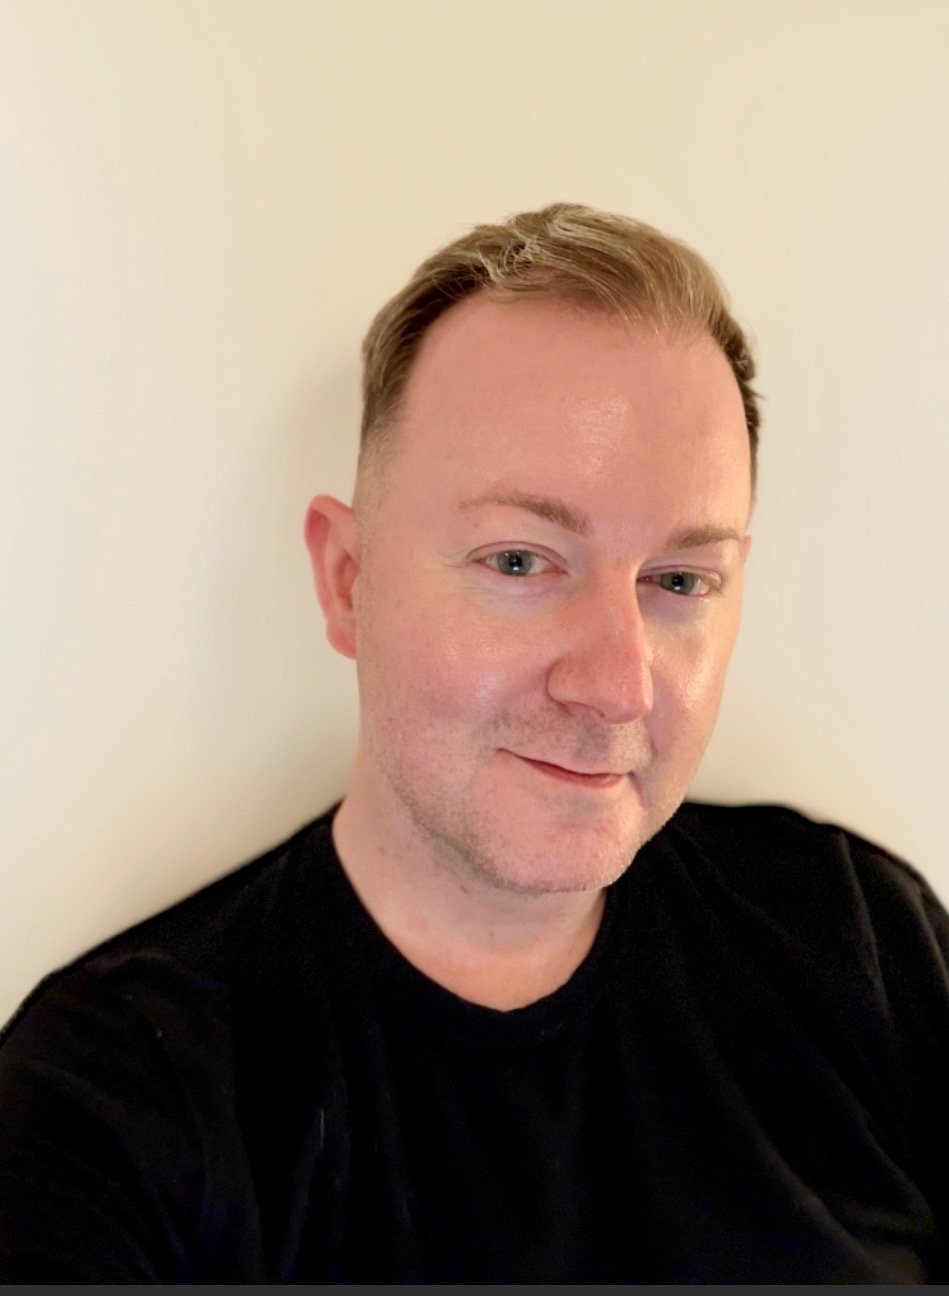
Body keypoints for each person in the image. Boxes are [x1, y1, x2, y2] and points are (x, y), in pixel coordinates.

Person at [0, 203, 946, 1284]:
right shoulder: (108, 1101)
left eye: (681, 580)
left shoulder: (857, 939)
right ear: (348, 580)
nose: (616, 687)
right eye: (519, 561)